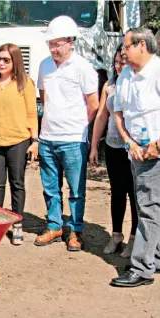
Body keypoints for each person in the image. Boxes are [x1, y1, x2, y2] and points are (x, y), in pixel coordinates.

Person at [34, 16, 99, 251]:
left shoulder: (84, 67)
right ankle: (54, 225)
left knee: (76, 189)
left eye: (57, 44)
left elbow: (94, 103)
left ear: (70, 42)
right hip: (48, 137)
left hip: (73, 139)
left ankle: (75, 230)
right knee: (50, 187)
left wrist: (78, 125)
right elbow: (43, 97)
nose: (53, 49)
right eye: (50, 44)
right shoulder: (44, 66)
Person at [111, 28, 160, 287]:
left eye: (126, 46)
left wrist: (157, 146)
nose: (123, 52)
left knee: (149, 210)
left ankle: (141, 268)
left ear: (142, 45)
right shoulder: (126, 75)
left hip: (155, 153)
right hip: (137, 152)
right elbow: (119, 114)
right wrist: (129, 141)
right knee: (148, 207)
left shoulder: (157, 71)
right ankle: (155, 256)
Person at [0, 43, 38, 246]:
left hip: (18, 140)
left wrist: (35, 140)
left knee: (17, 183)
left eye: (6, 60)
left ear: (15, 62)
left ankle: (17, 223)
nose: (0, 63)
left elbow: (31, 113)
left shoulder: (24, 83)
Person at [89, 44, 138, 258]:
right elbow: (101, 115)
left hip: (133, 147)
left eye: (123, 62)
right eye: (116, 62)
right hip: (112, 147)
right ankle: (116, 234)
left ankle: (135, 238)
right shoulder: (110, 85)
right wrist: (93, 146)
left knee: (135, 194)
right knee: (117, 192)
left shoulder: (137, 85)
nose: (118, 66)